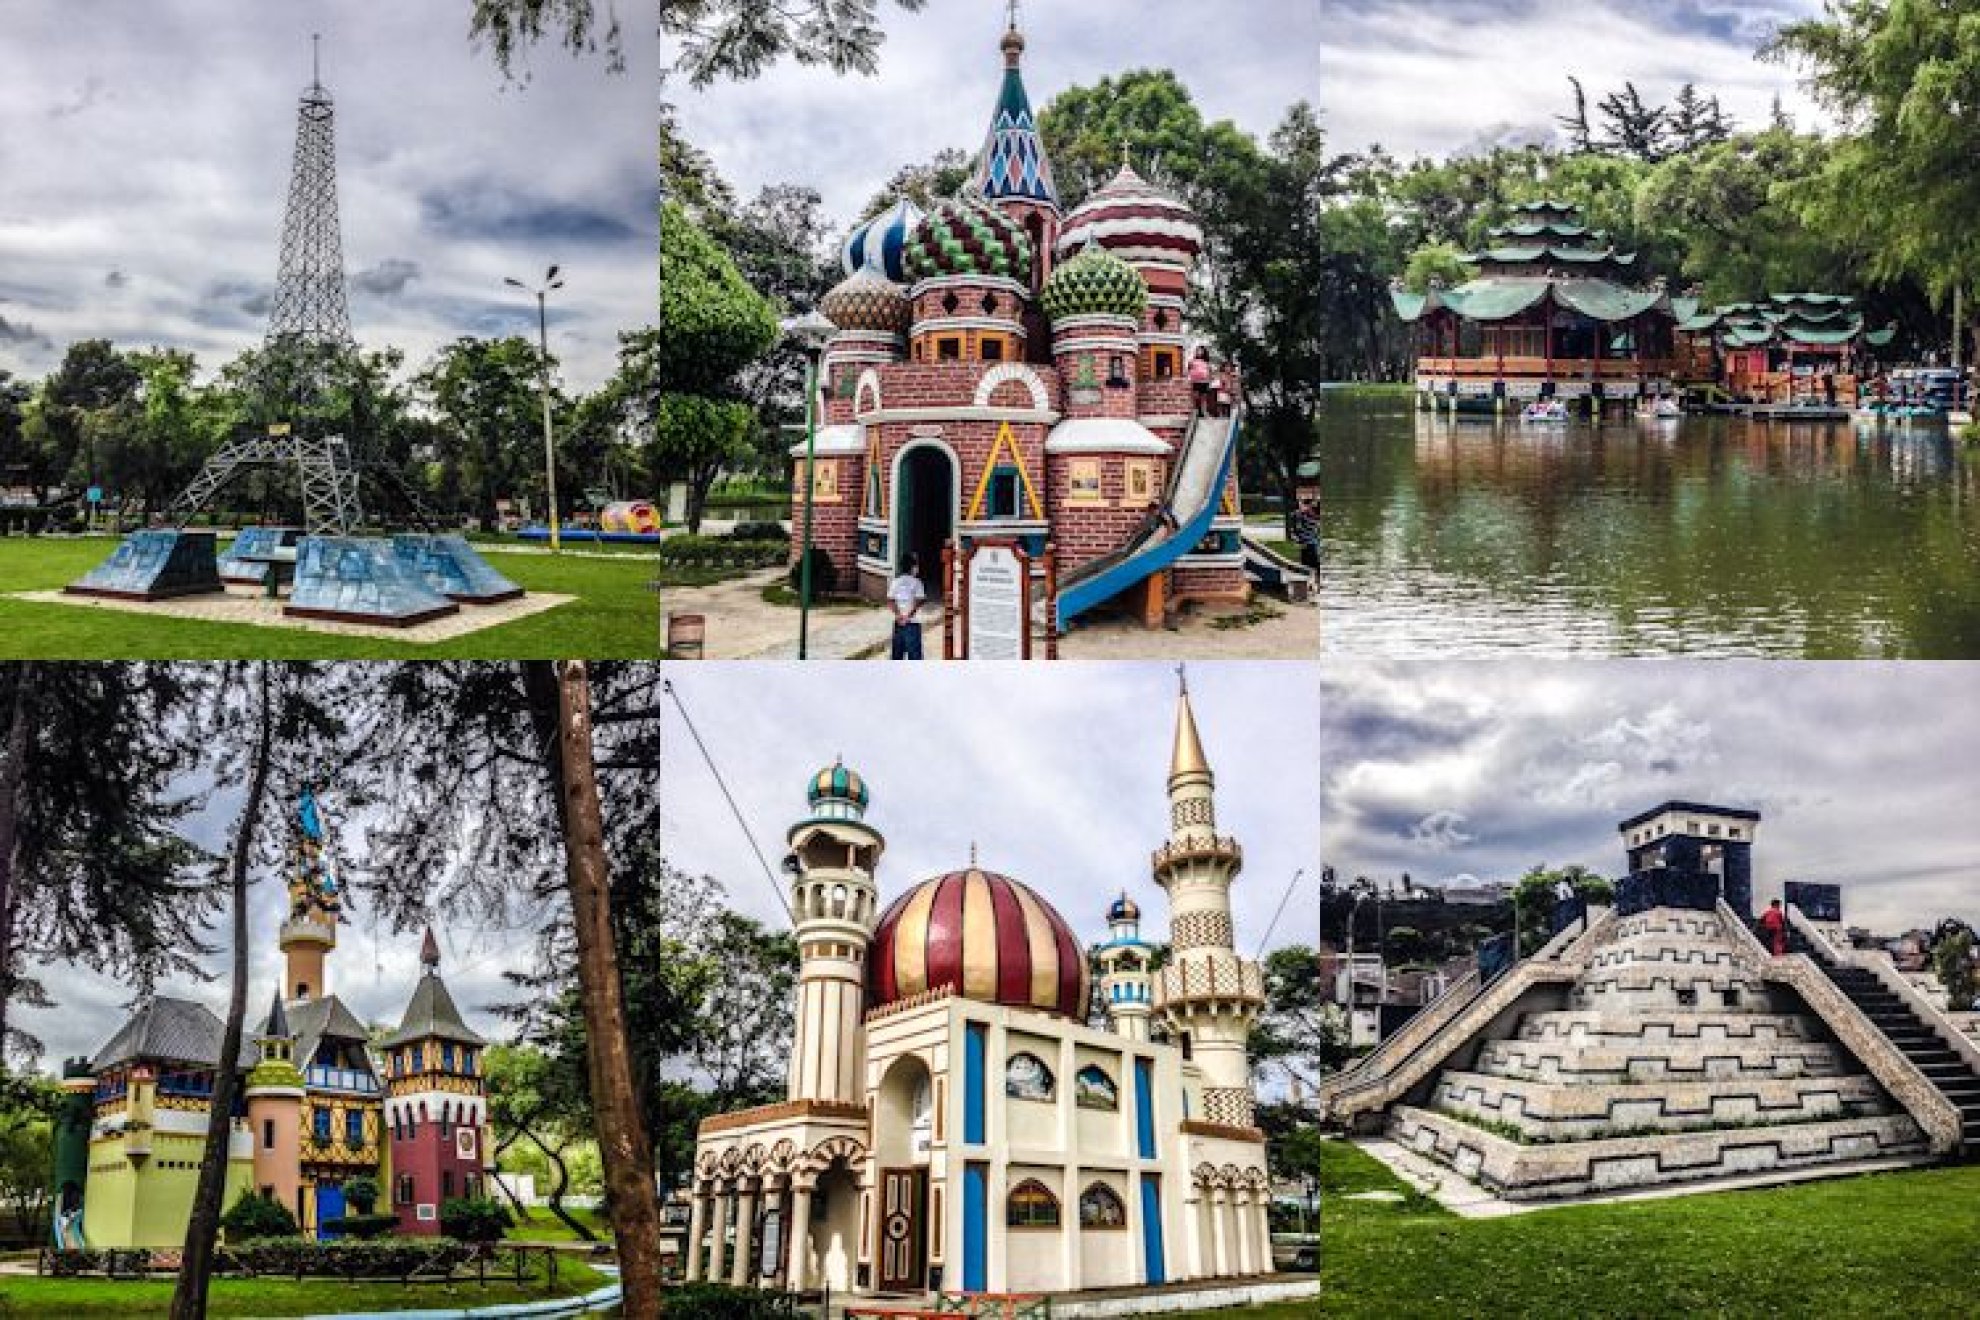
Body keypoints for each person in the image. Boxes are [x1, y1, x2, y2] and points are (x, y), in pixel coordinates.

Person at [888, 553, 926, 661]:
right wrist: (908, 616)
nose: (917, 568)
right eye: (916, 565)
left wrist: (899, 615)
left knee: (897, 655)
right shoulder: (917, 583)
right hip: (912, 623)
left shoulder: (895, 582)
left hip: (898, 623)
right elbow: (919, 600)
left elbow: (890, 600)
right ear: (912, 567)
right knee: (915, 656)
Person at [1291, 495, 1320, 570]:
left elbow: (1297, 513)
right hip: (1309, 545)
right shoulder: (1304, 515)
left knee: (1310, 566)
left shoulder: (1305, 516)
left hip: (1310, 545)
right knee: (1310, 566)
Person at [1187, 346, 1213, 415]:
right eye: (1197, 351)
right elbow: (1189, 369)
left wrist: (1210, 380)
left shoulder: (1206, 362)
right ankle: (1195, 410)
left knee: (1203, 397)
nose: (1199, 352)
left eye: (1200, 351)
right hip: (1195, 381)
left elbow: (1210, 371)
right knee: (1195, 396)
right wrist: (1190, 378)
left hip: (1204, 381)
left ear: (1204, 352)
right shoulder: (1192, 361)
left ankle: (1203, 411)